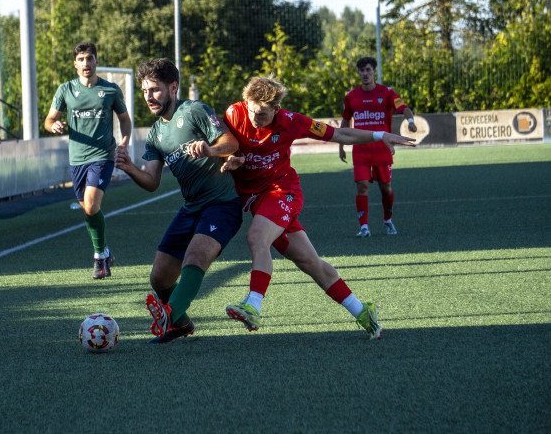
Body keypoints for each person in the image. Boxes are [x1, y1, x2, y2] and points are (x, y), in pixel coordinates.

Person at [221, 75, 415, 339]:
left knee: (256, 237)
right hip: (259, 202)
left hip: (283, 192)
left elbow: (341, 134)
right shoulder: (233, 114)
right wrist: (231, 159)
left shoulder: (292, 121)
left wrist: (380, 135)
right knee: (311, 263)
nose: (257, 119)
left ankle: (252, 305)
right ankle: (363, 311)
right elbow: (224, 144)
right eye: (254, 111)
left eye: (264, 114)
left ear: (276, 108)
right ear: (246, 102)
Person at [114, 58, 243, 344]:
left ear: (173, 87)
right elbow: (152, 182)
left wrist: (210, 150)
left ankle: (169, 318)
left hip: (222, 205)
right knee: (159, 278)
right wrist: (130, 168)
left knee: (196, 257)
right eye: (145, 91)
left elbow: (232, 143)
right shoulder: (155, 134)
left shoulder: (195, 110)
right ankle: (181, 324)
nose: (149, 96)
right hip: (190, 209)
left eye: (155, 90)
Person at [43, 41, 132, 280]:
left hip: (102, 156)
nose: (86, 63)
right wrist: (54, 125)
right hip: (77, 159)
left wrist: (124, 141)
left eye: (89, 58)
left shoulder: (111, 90)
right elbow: (49, 119)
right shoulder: (65, 90)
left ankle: (98, 257)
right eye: (81, 59)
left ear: (96, 61)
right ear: (75, 64)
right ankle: (105, 252)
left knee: (92, 205)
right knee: (87, 210)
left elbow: (124, 119)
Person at [339, 56, 417, 237]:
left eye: (368, 70)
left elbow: (403, 108)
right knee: (362, 186)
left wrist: (410, 121)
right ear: (358, 73)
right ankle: (364, 227)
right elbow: (345, 120)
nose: (365, 74)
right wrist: (341, 145)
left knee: (386, 188)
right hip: (360, 149)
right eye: (362, 70)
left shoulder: (387, 93)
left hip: (382, 150)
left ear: (374, 71)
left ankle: (388, 220)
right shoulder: (351, 96)